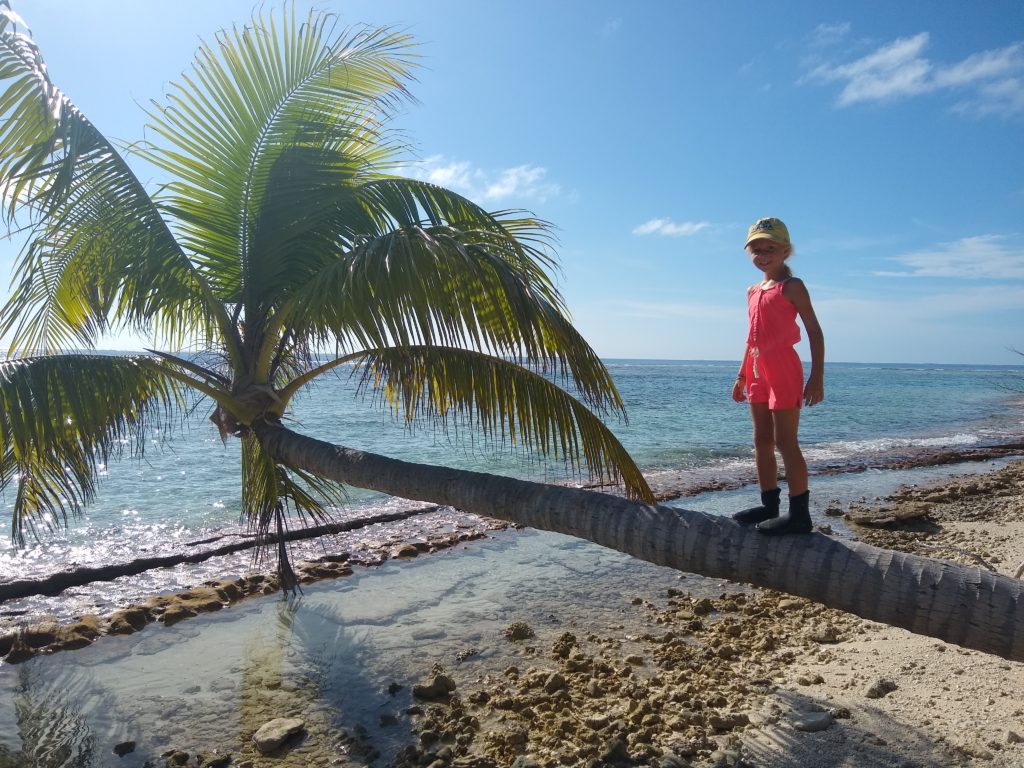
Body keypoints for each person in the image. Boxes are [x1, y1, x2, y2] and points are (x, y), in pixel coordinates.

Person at [731, 217, 824, 534]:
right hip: (757, 370)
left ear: (785, 251)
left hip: (784, 368)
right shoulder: (752, 290)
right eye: (756, 249)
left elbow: (814, 332)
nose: (762, 254)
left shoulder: (792, 287)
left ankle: (799, 514)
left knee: (786, 441)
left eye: (769, 248)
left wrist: (817, 377)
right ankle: (769, 505)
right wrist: (742, 374)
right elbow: (751, 337)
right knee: (761, 440)